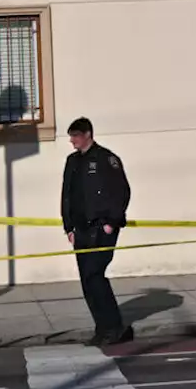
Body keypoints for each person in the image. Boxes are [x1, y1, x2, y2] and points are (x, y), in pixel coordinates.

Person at [61, 117, 134, 346]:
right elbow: (67, 195)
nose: (72, 141)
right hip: (81, 229)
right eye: (70, 136)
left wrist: (111, 222)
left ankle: (115, 327)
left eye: (75, 136)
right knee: (87, 280)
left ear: (87, 134)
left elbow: (121, 191)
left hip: (101, 228)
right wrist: (68, 227)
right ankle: (102, 328)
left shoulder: (105, 159)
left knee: (95, 276)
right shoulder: (72, 161)